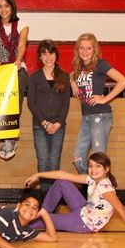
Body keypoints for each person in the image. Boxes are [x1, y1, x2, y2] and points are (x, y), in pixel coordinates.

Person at [23, 152, 125, 241]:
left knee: (44, 221)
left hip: (84, 224)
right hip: (84, 210)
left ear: (106, 169)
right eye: (90, 166)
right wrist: (39, 175)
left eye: (98, 166)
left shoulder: (105, 187)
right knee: (62, 183)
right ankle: (43, 211)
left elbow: (120, 209)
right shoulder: (93, 179)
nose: (93, 169)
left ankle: (20, 224)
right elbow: (64, 175)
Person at [70, 33, 125, 174]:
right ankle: (92, 184)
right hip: (86, 117)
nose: (85, 51)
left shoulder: (100, 64)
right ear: (77, 50)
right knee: (78, 159)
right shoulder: (79, 67)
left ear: (94, 49)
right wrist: (73, 83)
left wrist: (105, 98)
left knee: (98, 160)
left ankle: (101, 189)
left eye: (88, 48)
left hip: (100, 116)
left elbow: (123, 81)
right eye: (81, 48)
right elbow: (71, 75)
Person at [0, 0, 29, 160]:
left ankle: (10, 136)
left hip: (17, 67)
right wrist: (2, 70)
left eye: (6, 6)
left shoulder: (23, 24)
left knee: (16, 91)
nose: (3, 10)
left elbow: (22, 45)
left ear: (12, 6)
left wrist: (17, 62)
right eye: (0, 6)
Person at [27, 39, 71, 190]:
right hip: (40, 127)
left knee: (54, 162)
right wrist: (44, 123)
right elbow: (31, 103)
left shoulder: (64, 77)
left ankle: (54, 198)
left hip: (59, 127)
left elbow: (66, 103)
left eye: (51, 53)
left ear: (56, 55)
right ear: (39, 57)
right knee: (43, 161)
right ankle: (45, 199)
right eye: (44, 54)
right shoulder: (34, 77)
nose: (48, 57)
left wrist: (58, 123)